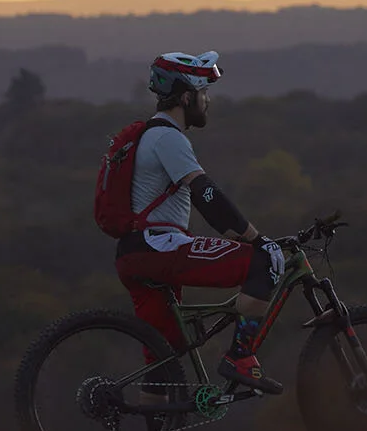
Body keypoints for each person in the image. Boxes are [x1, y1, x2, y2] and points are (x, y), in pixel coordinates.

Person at [113, 50, 287, 398]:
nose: (207, 102)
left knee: (165, 359)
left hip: (133, 254)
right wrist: (256, 239)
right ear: (187, 96)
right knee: (263, 262)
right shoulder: (168, 138)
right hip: (158, 248)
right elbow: (206, 195)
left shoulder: (153, 135)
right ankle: (240, 358)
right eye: (204, 94)